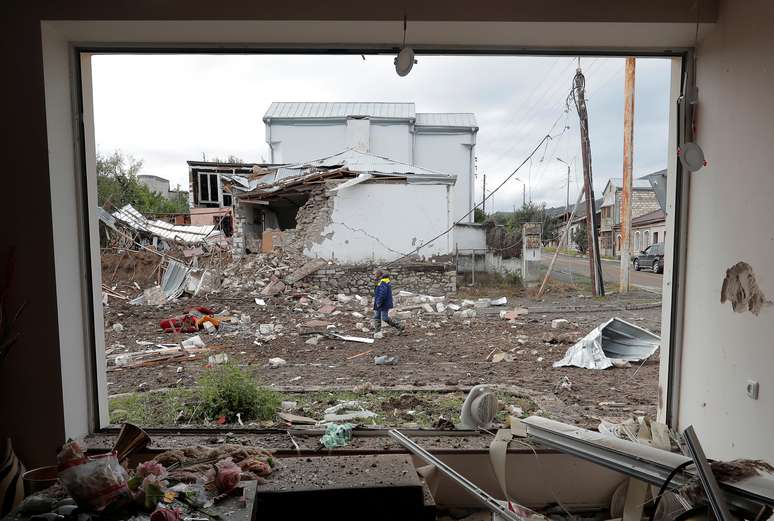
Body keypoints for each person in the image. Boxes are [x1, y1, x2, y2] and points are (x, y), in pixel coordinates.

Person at [372, 268, 404, 337]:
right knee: (377, 317)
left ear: (378, 274)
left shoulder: (383, 282)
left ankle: (399, 326)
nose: (373, 275)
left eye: (374, 274)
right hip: (380, 302)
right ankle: (377, 332)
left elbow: (382, 294)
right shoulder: (381, 281)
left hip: (383, 303)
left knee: (384, 318)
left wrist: (378, 302)